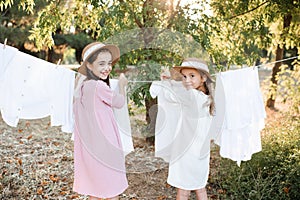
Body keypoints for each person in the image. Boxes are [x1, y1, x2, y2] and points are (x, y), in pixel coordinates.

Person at [73, 42, 128, 200]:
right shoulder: (98, 87)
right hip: (105, 149)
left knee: (95, 192)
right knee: (111, 192)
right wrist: (123, 85)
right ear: (89, 66)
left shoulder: (81, 88)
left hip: (90, 150)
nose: (107, 68)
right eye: (101, 63)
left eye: (109, 63)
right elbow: (119, 102)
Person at [159, 57, 215, 200]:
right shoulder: (208, 98)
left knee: (183, 190)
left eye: (192, 76)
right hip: (201, 151)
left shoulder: (192, 96)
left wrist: (165, 82)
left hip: (186, 151)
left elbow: (171, 96)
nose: (187, 80)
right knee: (200, 187)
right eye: (184, 76)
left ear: (203, 78)